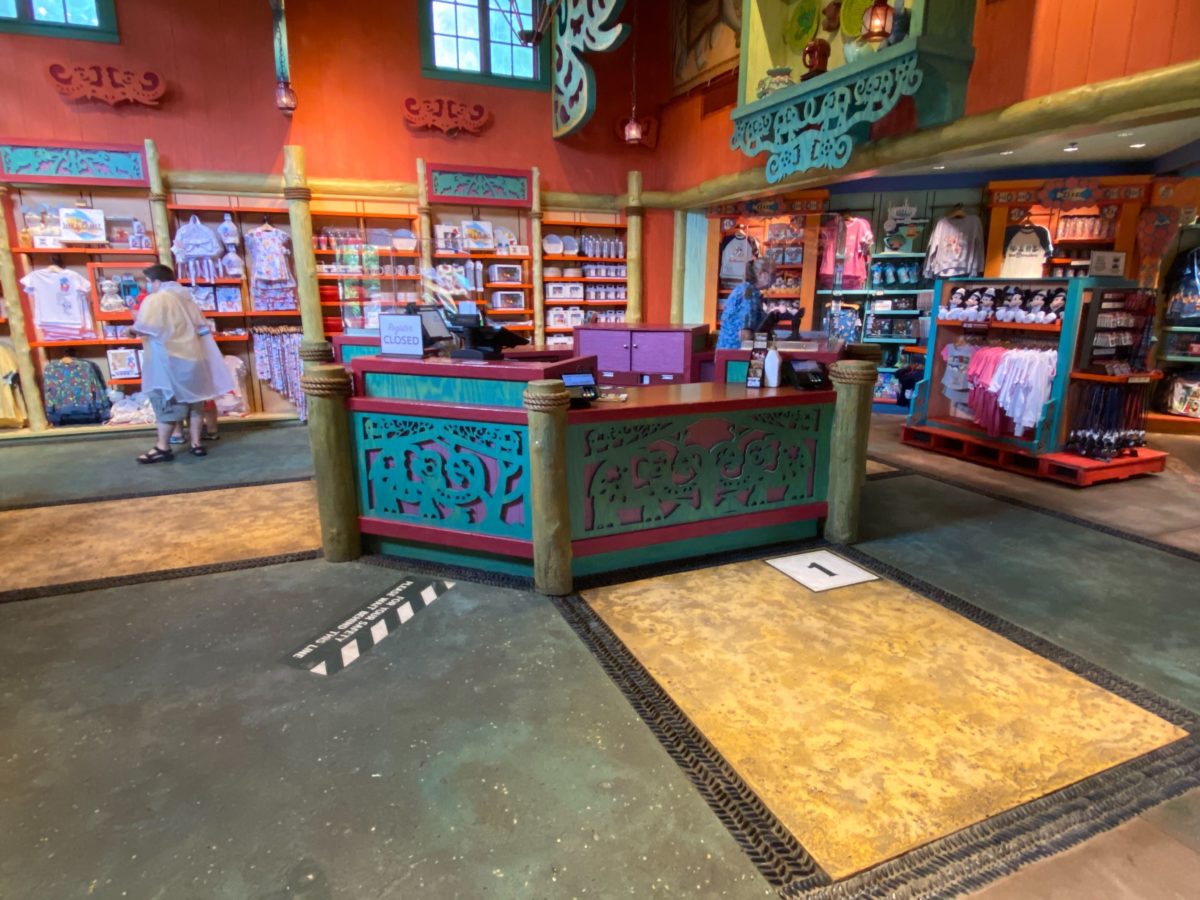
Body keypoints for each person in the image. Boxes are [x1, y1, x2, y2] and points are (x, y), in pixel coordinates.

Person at [128, 264, 235, 463]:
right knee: (196, 402)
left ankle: (163, 446)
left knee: (167, 403)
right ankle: (196, 444)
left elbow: (146, 327)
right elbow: (201, 328)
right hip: (194, 356)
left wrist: (131, 328)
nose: (148, 286)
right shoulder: (186, 297)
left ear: (156, 281)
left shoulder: (157, 299)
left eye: (149, 282)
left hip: (169, 360)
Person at [717, 258, 774, 349]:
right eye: (772, 274)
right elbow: (745, 333)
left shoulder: (747, 289)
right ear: (761, 274)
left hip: (726, 350)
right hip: (735, 351)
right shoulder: (749, 293)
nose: (774, 278)